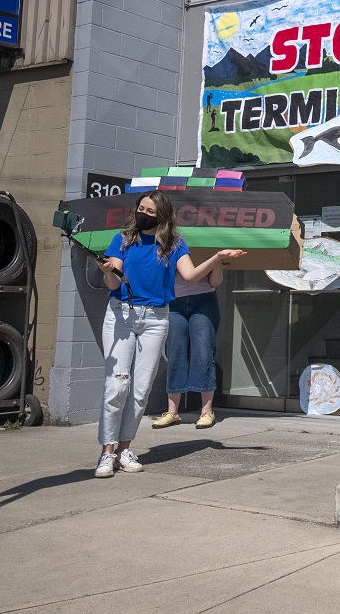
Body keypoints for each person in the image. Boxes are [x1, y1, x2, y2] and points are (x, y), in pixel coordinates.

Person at [94, 191, 245, 479]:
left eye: (150, 212)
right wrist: (107, 270)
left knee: (140, 391)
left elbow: (189, 276)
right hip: (121, 314)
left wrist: (216, 258)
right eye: (141, 209)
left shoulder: (174, 244)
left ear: (162, 217)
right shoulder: (123, 240)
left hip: (156, 318)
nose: (144, 215)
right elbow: (114, 280)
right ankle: (106, 453)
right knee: (117, 386)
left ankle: (124, 449)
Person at [150, 258, 228, 430]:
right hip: (174, 301)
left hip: (204, 300)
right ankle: (172, 412)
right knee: (175, 352)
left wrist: (217, 266)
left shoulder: (207, 243)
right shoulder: (169, 244)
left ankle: (206, 412)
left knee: (203, 352)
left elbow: (215, 282)